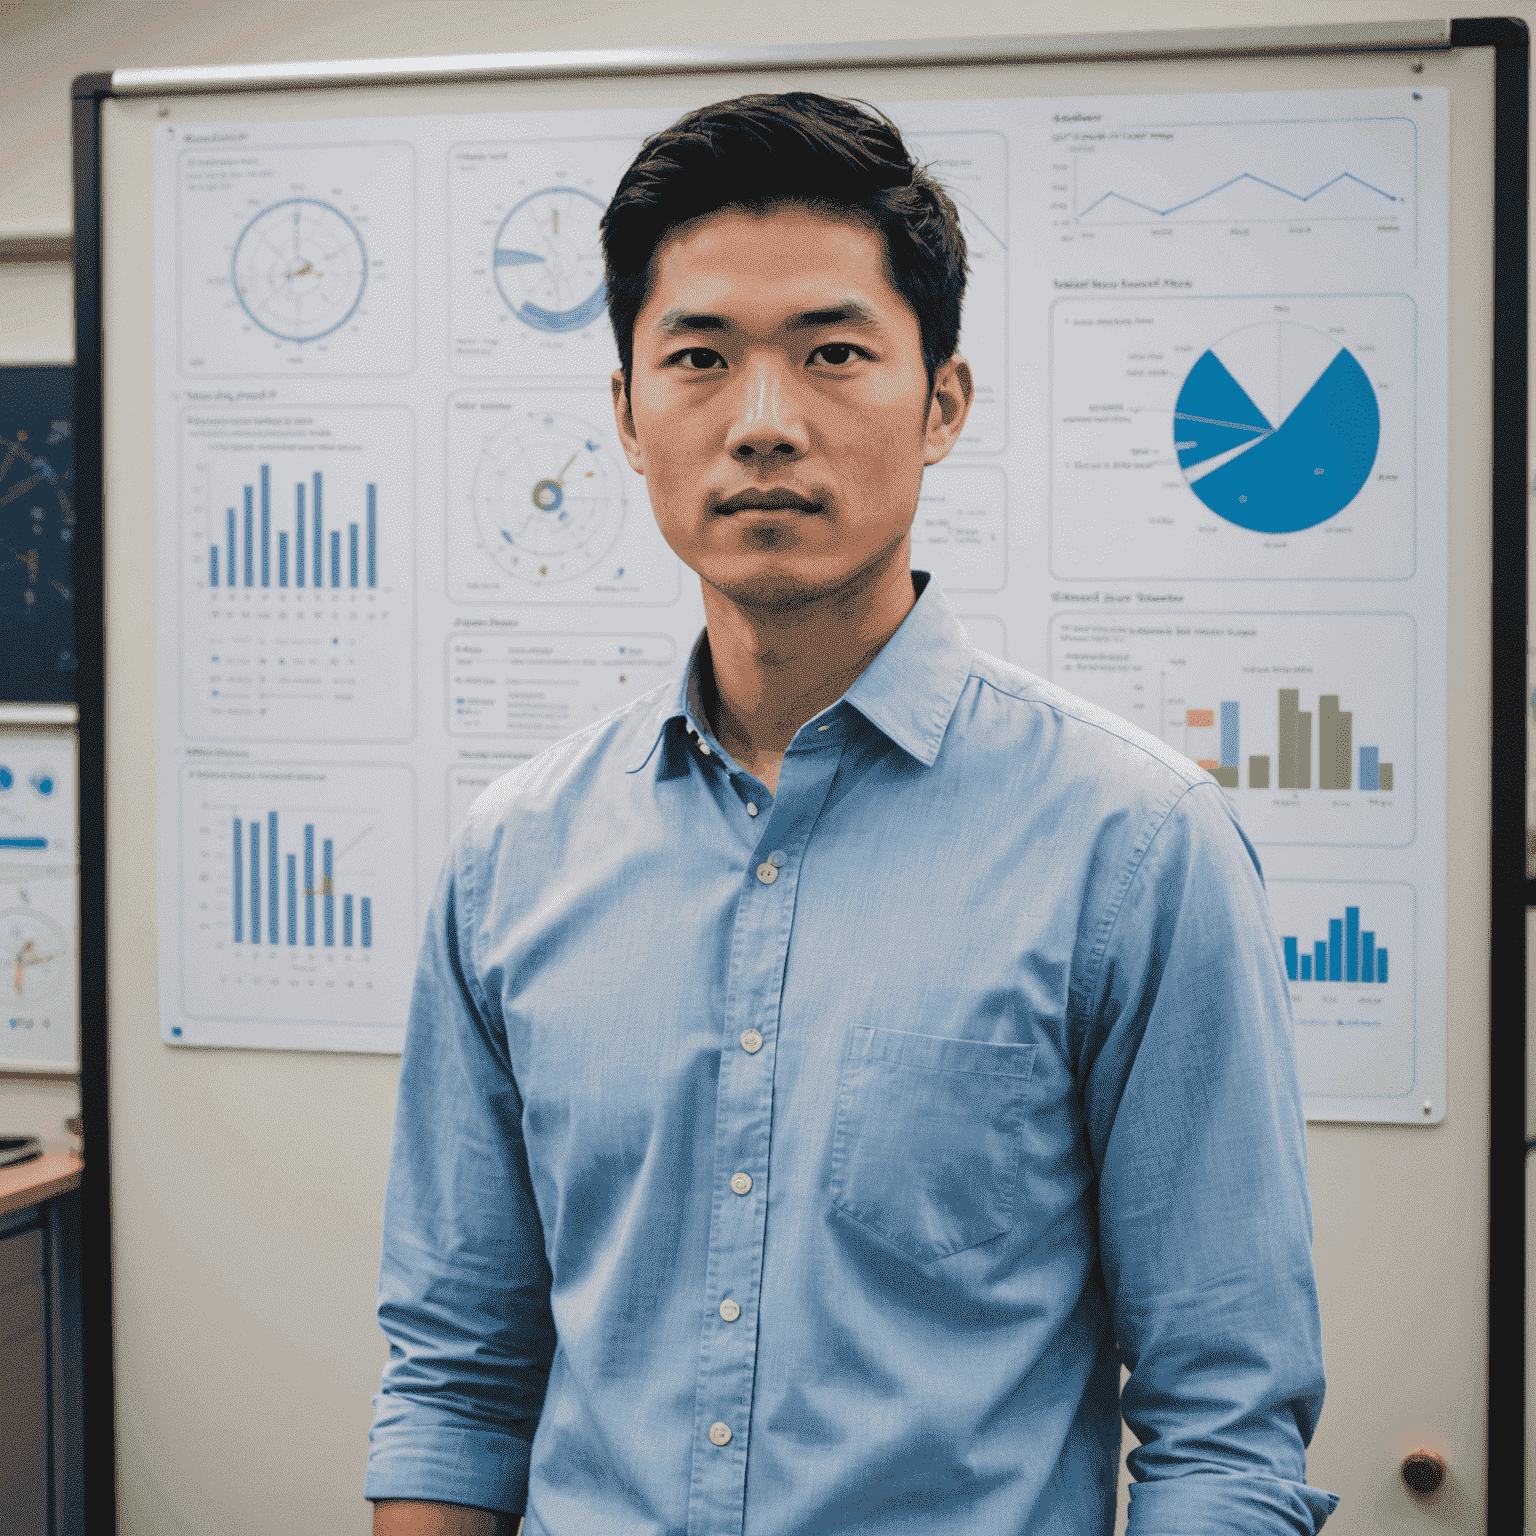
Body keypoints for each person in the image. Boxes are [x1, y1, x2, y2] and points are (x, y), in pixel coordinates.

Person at [366, 92, 1338, 1536]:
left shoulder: (1133, 847)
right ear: (628, 417)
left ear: (941, 403)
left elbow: (1223, 1429)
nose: (763, 424)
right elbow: (458, 1385)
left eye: (833, 355)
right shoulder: (515, 858)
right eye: (698, 358)